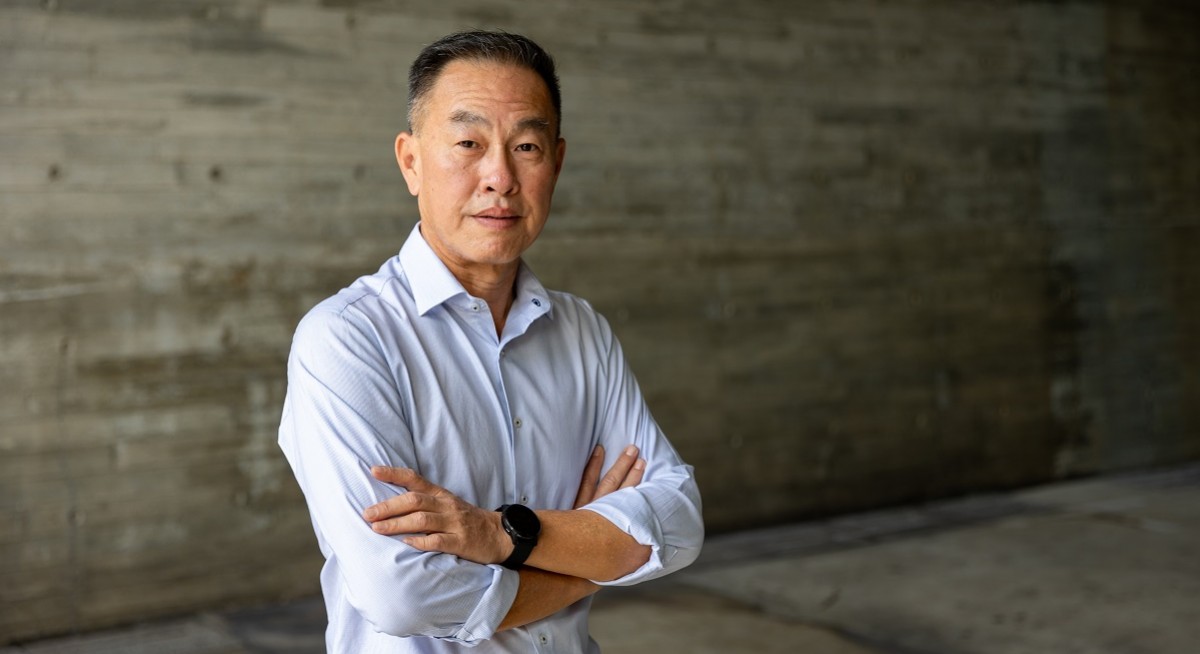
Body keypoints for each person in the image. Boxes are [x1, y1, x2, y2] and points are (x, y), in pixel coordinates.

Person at [278, 30, 704, 653]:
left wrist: (501, 534)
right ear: (411, 162)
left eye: (526, 146)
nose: (500, 177)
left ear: (556, 163)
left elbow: (680, 523)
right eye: (468, 144)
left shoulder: (582, 332)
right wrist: (591, 558)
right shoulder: (347, 341)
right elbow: (402, 595)